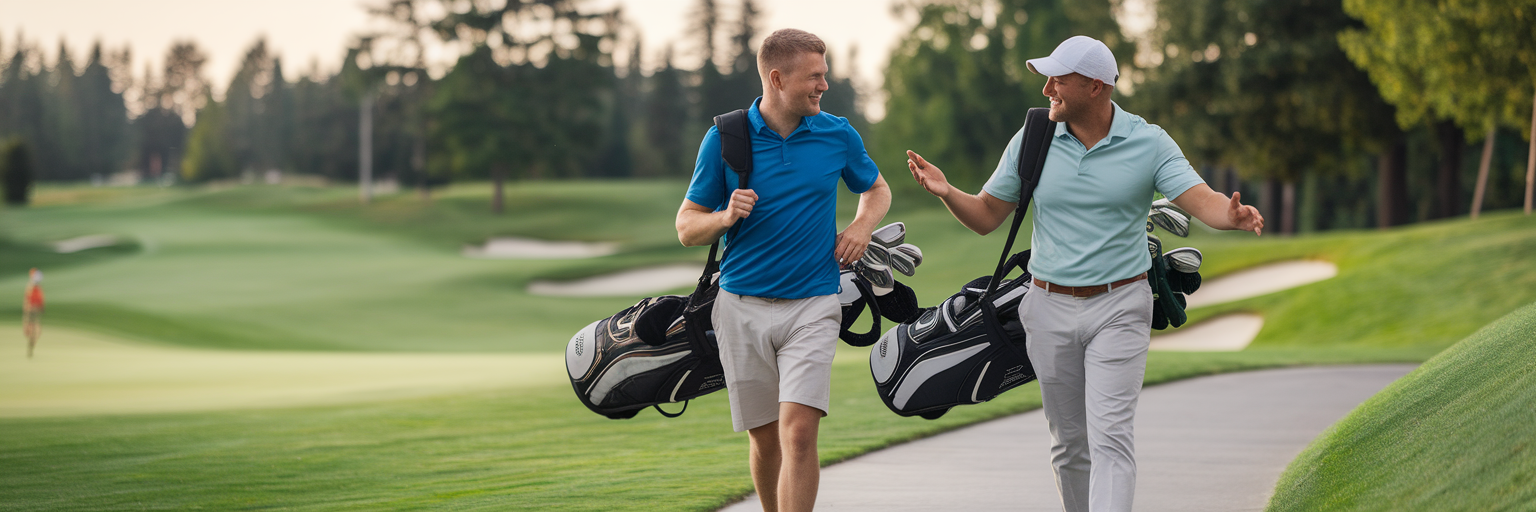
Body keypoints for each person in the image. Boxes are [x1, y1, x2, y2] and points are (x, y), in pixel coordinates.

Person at [905, 35, 1264, 512]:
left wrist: (1231, 216)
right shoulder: (1033, 138)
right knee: (1070, 443)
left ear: (1095, 87)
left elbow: (1203, 199)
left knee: (1111, 436)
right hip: (1047, 307)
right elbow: (987, 216)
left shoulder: (1148, 141)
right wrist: (947, 191)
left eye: (1058, 79)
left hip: (1121, 305)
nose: (1047, 88)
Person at [675, 28, 890, 512]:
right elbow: (687, 227)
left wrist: (861, 227)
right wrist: (725, 217)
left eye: (825, 75)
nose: (824, 85)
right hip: (739, 309)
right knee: (766, 441)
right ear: (777, 78)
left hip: (813, 305)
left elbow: (876, 189)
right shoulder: (725, 137)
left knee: (798, 434)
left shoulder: (837, 134)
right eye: (815, 77)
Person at [23, 268, 44, 358]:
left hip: (36, 311)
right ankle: (30, 346)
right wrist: (28, 310)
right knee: (31, 331)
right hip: (31, 311)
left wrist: (41, 308)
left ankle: (31, 346)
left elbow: (40, 300)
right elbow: (27, 300)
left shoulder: (38, 288)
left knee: (37, 332)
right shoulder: (31, 287)